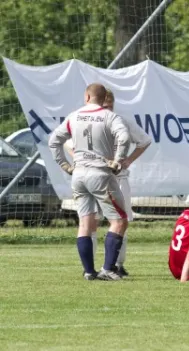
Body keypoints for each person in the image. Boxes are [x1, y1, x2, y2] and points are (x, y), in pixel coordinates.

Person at [65, 88, 152, 277]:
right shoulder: (87, 119)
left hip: (117, 178)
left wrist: (126, 160)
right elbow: (68, 143)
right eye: (104, 104)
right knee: (91, 221)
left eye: (110, 104)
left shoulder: (121, 121)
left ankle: (116, 265)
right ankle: (90, 267)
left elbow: (144, 141)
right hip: (96, 175)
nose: (107, 107)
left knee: (122, 219)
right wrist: (79, 159)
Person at [48, 83, 130, 281]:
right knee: (119, 220)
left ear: (86, 97)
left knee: (85, 222)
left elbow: (53, 141)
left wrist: (65, 165)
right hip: (100, 173)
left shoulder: (74, 116)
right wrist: (118, 161)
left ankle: (88, 271)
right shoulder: (110, 116)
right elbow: (125, 137)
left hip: (79, 175)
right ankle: (108, 269)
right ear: (104, 99)